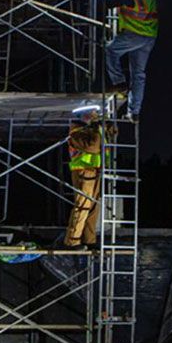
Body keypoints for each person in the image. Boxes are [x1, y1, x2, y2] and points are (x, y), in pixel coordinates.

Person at [104, 0, 158, 121]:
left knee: (110, 50)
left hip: (134, 33)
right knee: (138, 74)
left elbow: (109, 2)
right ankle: (134, 112)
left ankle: (118, 82)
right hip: (150, 36)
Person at [63, 104, 115, 249]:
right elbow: (92, 146)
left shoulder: (95, 130)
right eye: (91, 114)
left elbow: (112, 134)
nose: (95, 115)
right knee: (83, 206)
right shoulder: (76, 132)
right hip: (83, 171)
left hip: (96, 171)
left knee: (93, 208)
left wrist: (107, 125)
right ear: (83, 116)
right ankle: (72, 241)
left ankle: (89, 240)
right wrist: (98, 128)